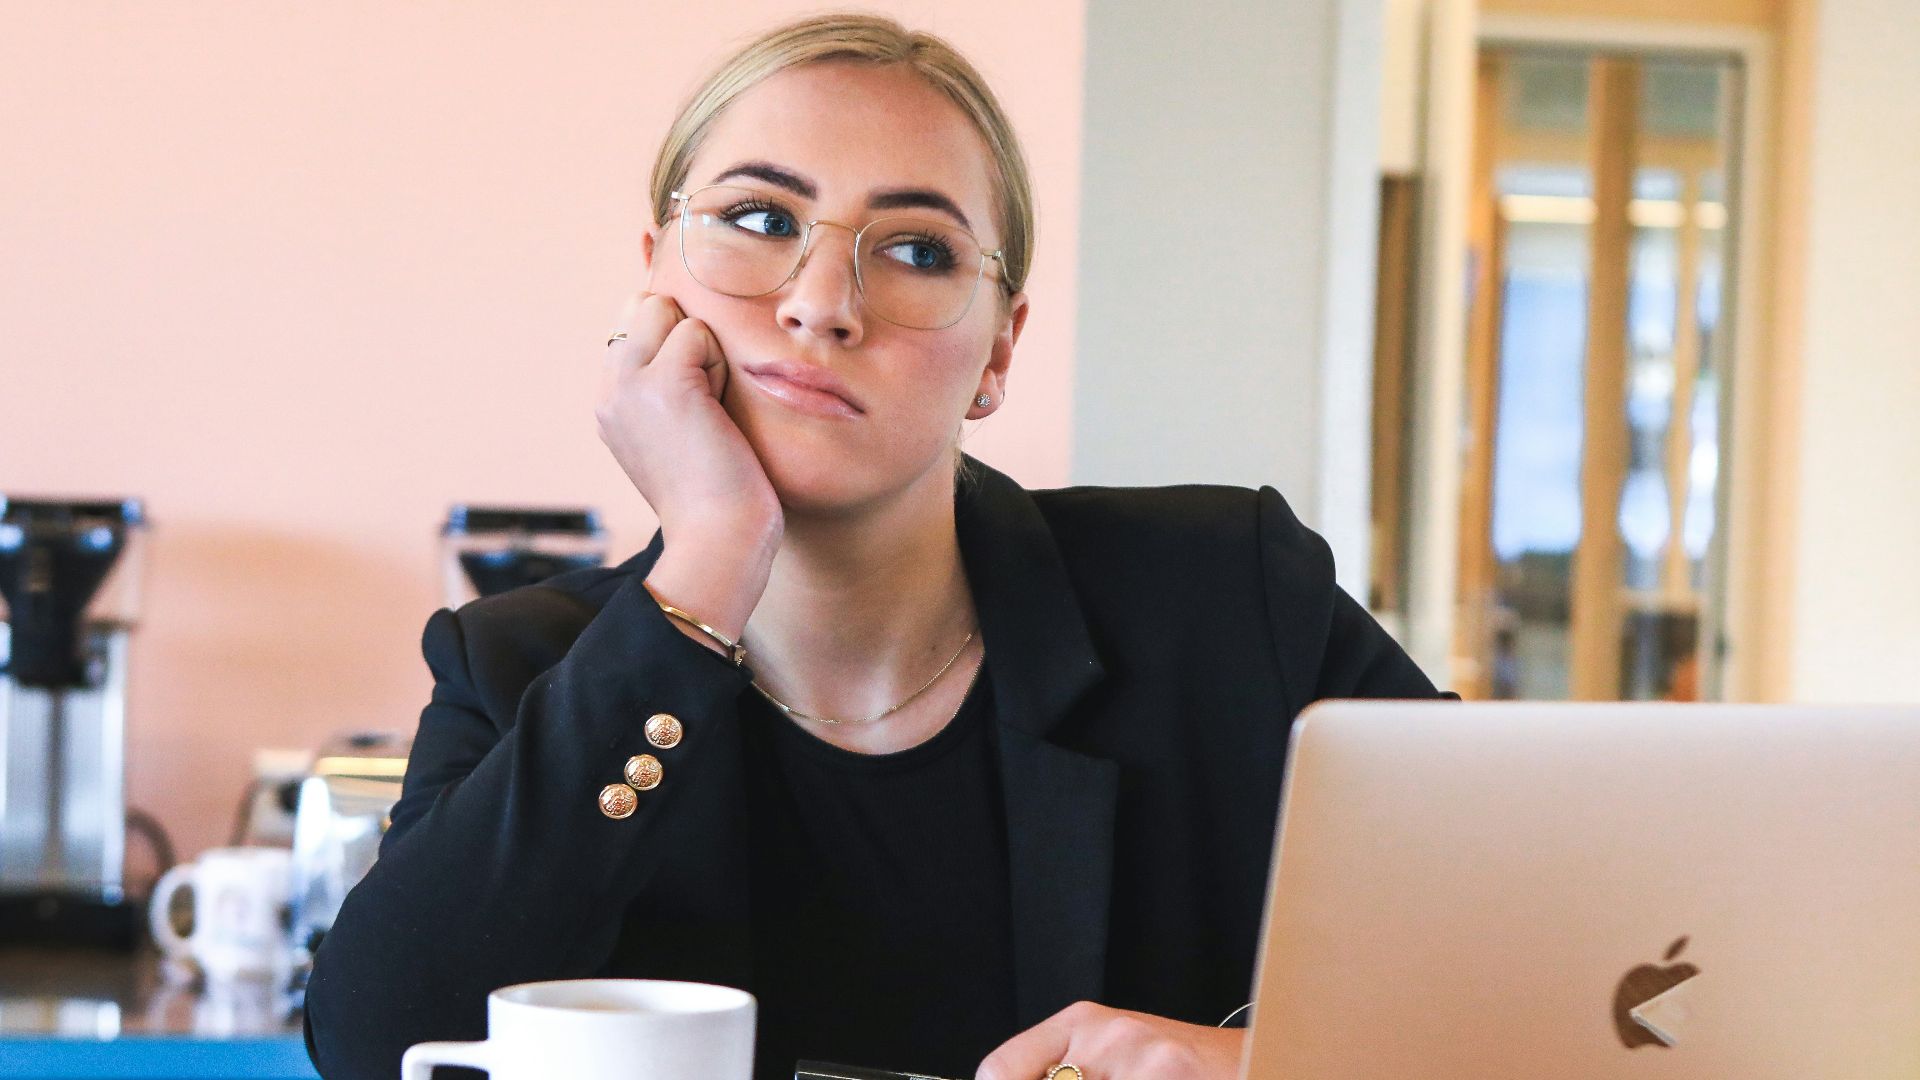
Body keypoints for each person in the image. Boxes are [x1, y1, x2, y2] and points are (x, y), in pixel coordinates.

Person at [302, 12, 1447, 1080]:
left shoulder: (1228, 600)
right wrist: (705, 562)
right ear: (653, 278)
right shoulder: (518, 665)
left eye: (916, 250)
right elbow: (379, 1044)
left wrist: (1270, 1068)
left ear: (1000, 352)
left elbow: (1562, 970)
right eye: (761, 221)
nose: (821, 302)